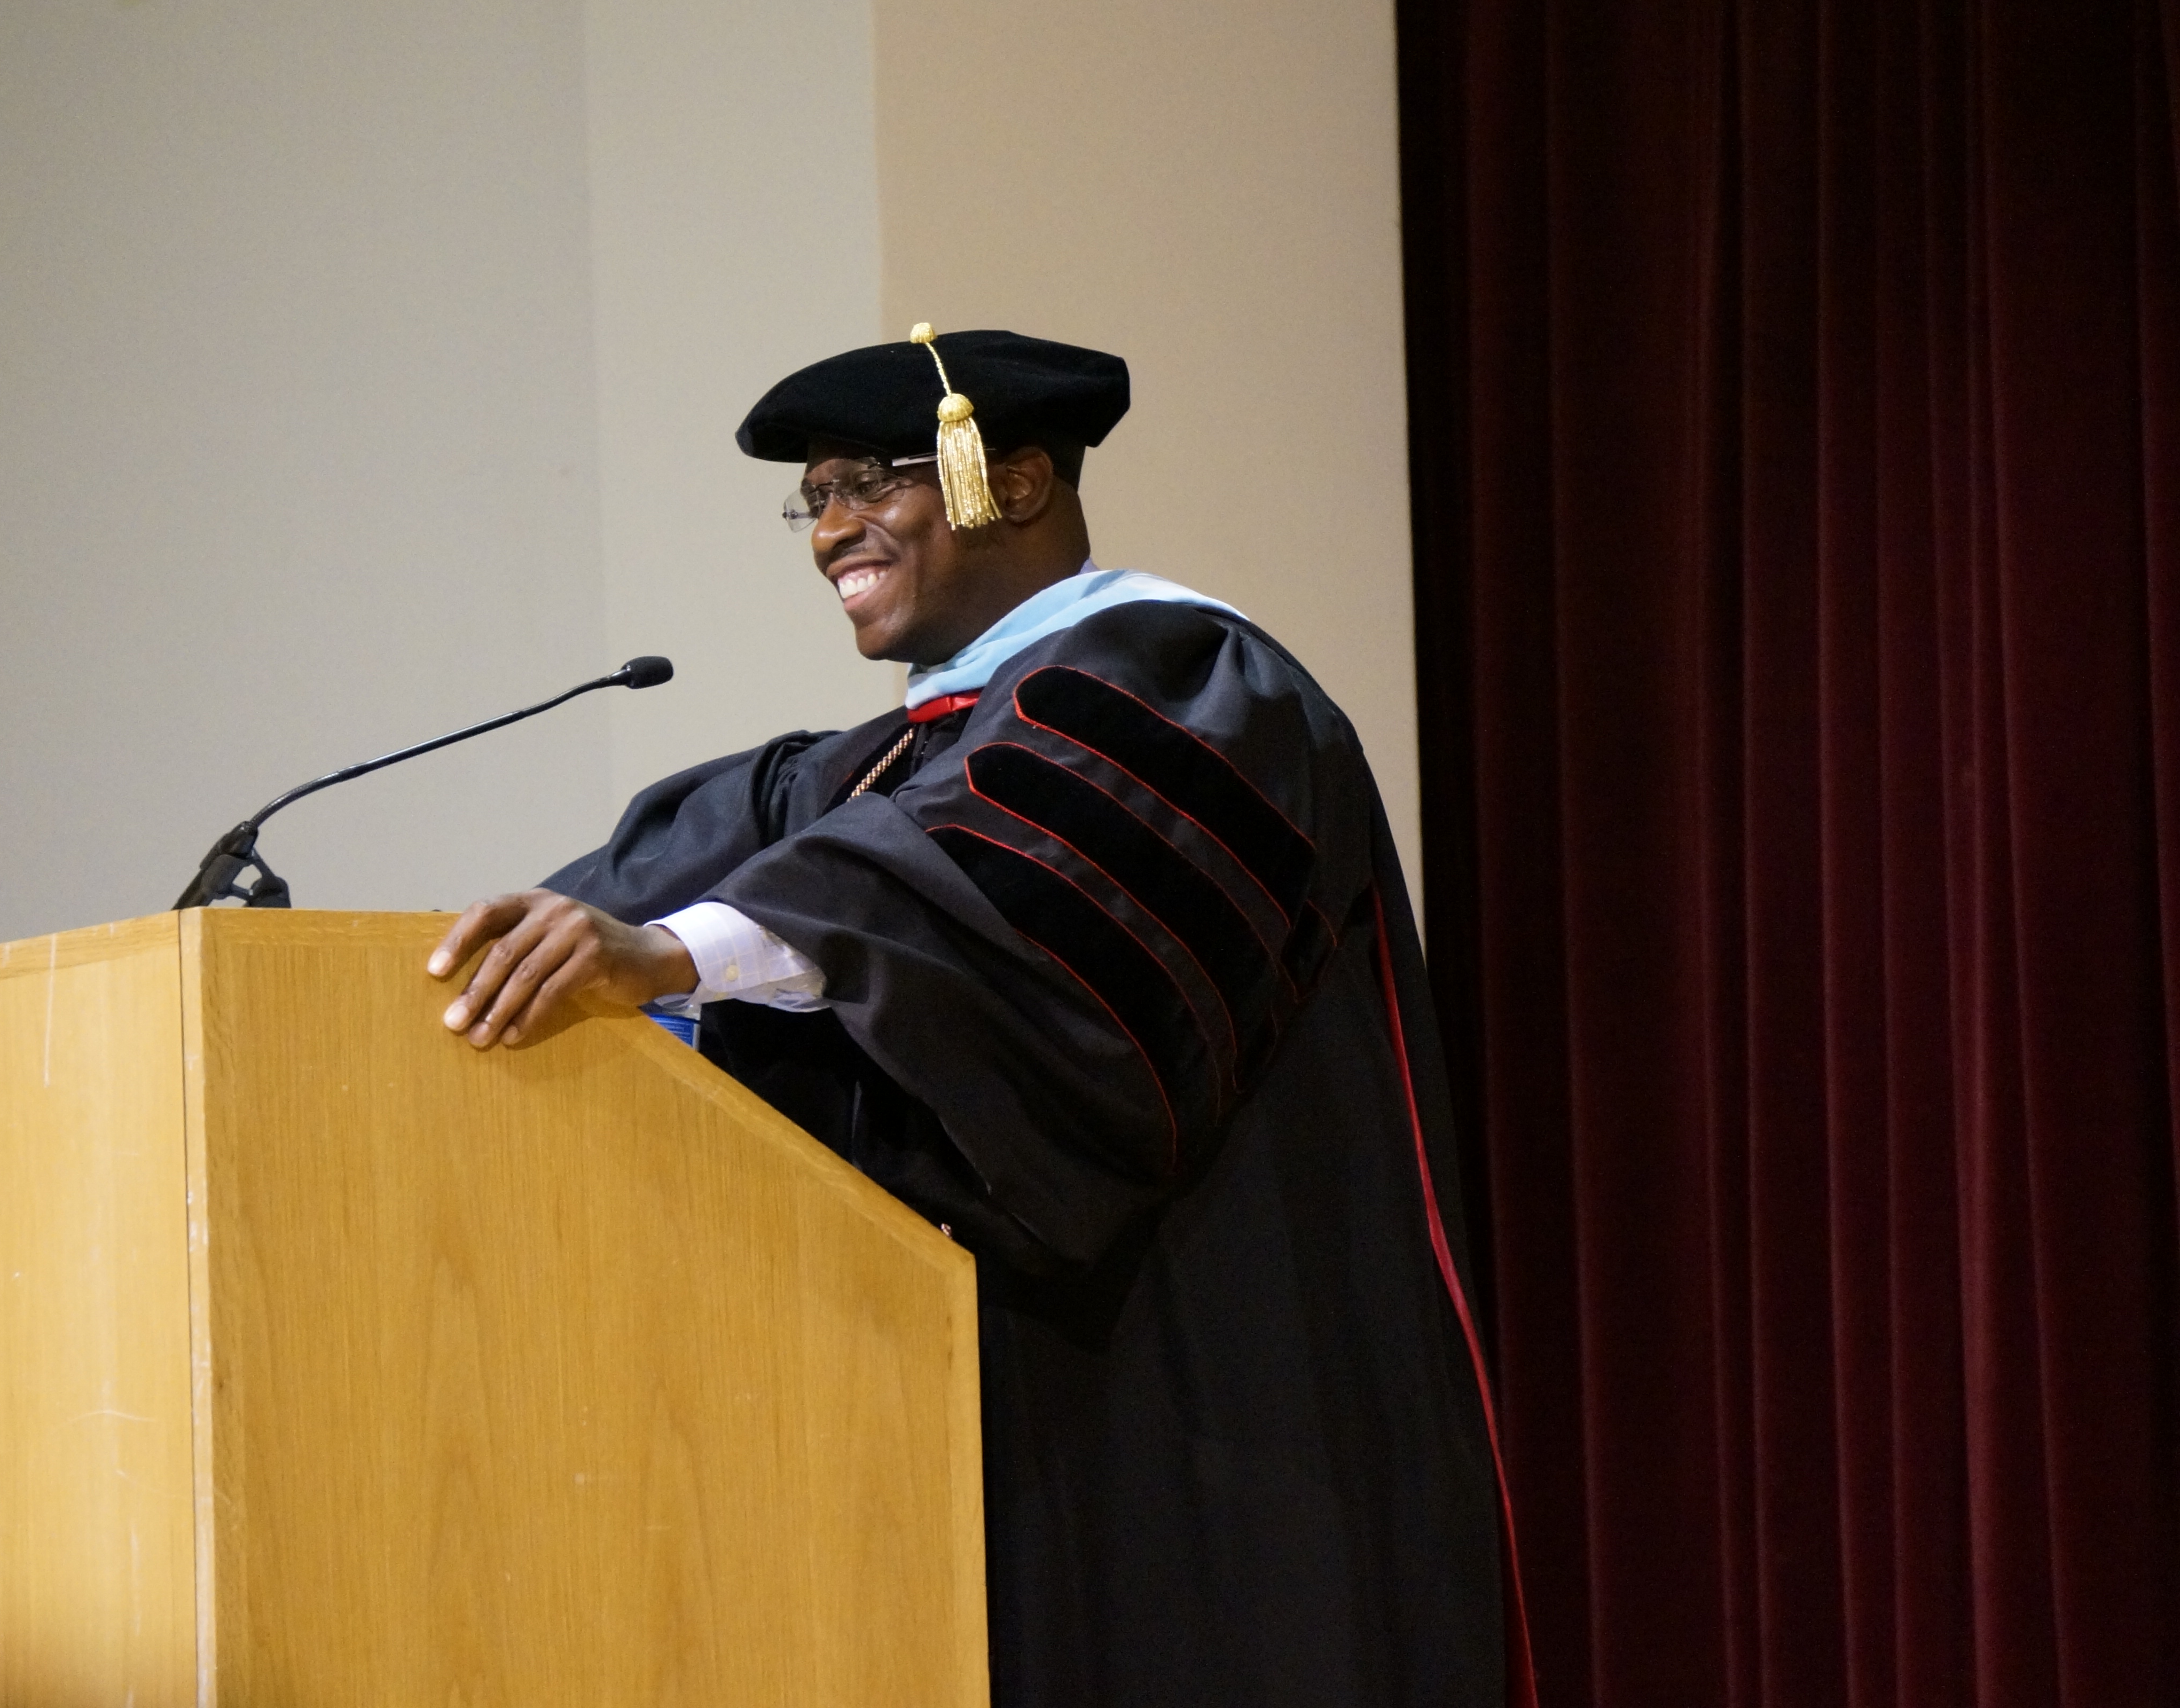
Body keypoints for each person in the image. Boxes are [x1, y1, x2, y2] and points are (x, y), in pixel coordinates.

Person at [429, 328, 1520, 1706]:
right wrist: (412, 987)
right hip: (939, 1444)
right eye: (812, 498)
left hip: (1208, 1414)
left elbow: (993, 880)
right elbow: (694, 874)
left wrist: (667, 952)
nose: (832, 531)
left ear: (1008, 479)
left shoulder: (1186, 684)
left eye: (869, 484)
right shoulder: (869, 770)